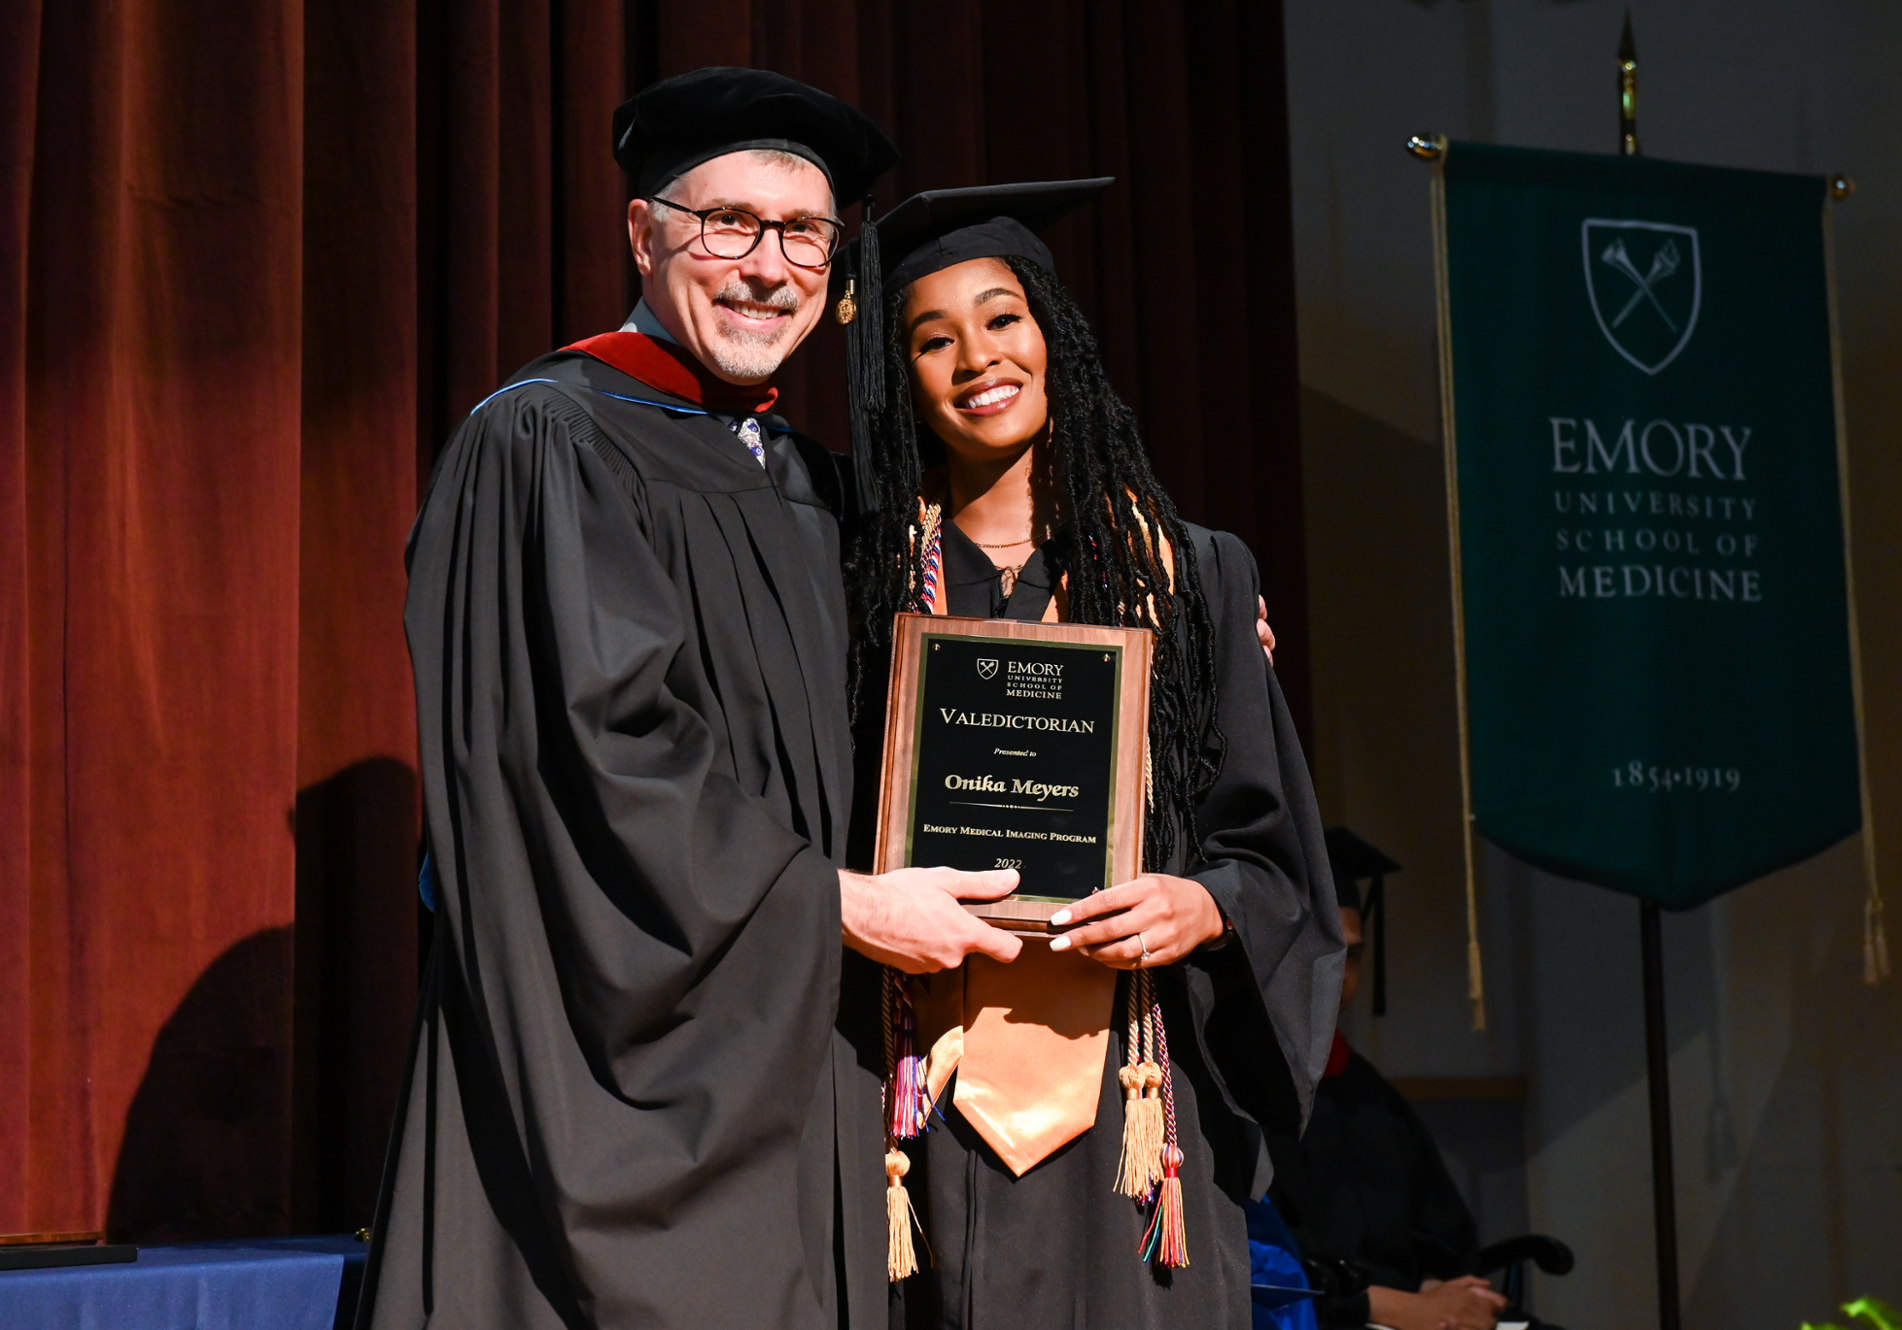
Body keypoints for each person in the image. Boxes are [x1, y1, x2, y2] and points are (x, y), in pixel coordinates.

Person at [356, 68, 1032, 1330]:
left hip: (800, 1080)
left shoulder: (809, 487)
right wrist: (831, 903)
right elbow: (591, 757)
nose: (765, 266)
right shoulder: (546, 443)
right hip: (627, 1103)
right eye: (727, 222)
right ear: (643, 232)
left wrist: (1188, 623)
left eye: (802, 235)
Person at [842, 178, 1346, 1329]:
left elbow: (1273, 862)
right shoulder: (856, 594)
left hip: (1131, 1129)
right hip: (909, 1121)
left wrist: (1201, 907)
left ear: (1053, 335)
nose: (976, 358)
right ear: (899, 383)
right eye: (932, 338)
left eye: (1001, 318)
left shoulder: (1187, 579)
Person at [1263, 857, 1508, 1330]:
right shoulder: (1236, 1094)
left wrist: (1442, 1287)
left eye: (1351, 955)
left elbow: (1444, 1237)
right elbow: (1257, 1267)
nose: (1340, 976)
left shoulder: (1369, 1093)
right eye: (1323, 950)